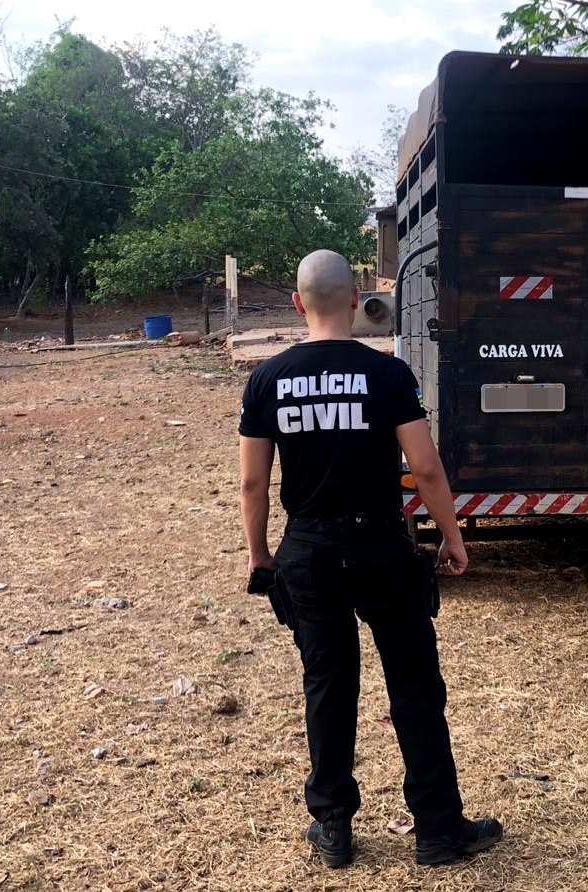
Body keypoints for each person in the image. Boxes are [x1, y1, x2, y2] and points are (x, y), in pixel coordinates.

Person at [238, 249, 502, 868]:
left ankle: (333, 826)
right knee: (414, 687)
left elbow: (253, 484)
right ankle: (438, 829)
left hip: (308, 550)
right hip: (382, 545)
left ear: (298, 304)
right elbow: (426, 468)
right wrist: (453, 537)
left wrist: (260, 555)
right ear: (356, 301)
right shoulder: (389, 375)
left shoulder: (267, 379)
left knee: (327, 687)